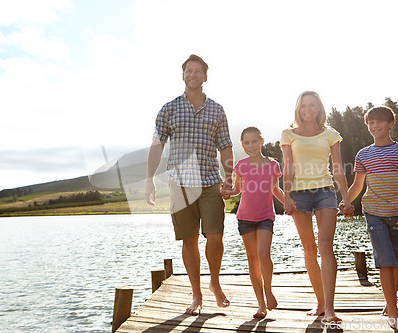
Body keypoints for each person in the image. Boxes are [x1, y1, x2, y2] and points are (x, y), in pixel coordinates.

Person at [144, 54, 233, 316]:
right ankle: (197, 294)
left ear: (206, 76)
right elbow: (157, 145)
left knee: (215, 235)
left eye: (198, 72)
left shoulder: (217, 110)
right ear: (183, 75)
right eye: (188, 71)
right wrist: (149, 179)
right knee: (189, 239)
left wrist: (229, 178)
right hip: (180, 184)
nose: (193, 75)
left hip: (209, 181)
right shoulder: (169, 109)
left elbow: (226, 146)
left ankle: (214, 281)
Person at [340, 106, 398, 330]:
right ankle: (394, 312)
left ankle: (390, 302)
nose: (374, 127)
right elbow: (358, 185)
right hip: (373, 212)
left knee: (395, 262)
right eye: (370, 123)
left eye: (379, 122)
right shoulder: (363, 154)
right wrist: (346, 201)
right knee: (385, 261)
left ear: (390, 124)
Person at [279, 91, 353, 325]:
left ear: (319, 108)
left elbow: (338, 167)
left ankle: (330, 308)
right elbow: (288, 166)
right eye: (303, 106)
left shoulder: (331, 135)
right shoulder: (288, 134)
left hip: (325, 192)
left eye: (312, 105)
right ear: (298, 109)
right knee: (309, 248)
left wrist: (347, 198)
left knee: (325, 247)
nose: (307, 109)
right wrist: (287, 197)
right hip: (299, 195)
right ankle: (320, 302)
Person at [224, 126, 284, 319]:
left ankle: (268, 289)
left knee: (264, 255)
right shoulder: (241, 165)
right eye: (247, 143)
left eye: (254, 142)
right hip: (245, 219)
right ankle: (260, 304)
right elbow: (237, 190)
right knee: (253, 259)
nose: (251, 146)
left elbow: (276, 190)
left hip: (266, 216)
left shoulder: (273, 165)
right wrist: (227, 192)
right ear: (243, 145)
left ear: (261, 141)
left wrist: (288, 203)